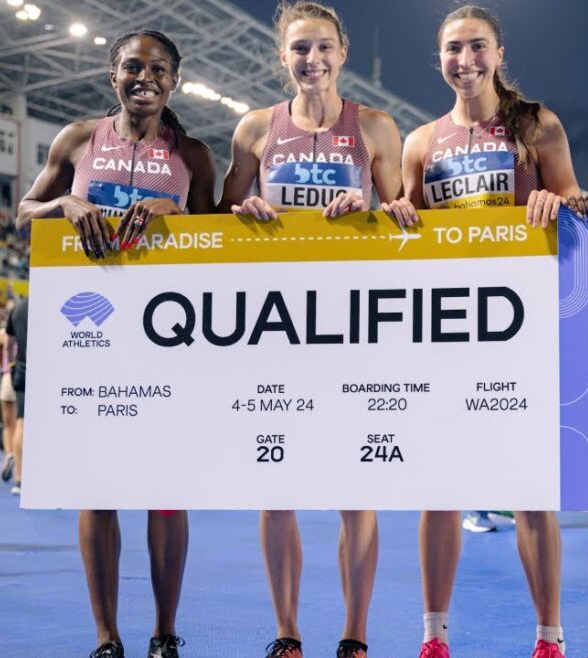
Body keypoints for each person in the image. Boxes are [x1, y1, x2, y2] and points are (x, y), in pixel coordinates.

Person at [392, 6, 588, 658]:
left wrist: (557, 201)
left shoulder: (536, 124)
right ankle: (433, 636)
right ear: (439, 58)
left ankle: (549, 638)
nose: (465, 59)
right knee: (439, 490)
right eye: (453, 48)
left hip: (521, 329)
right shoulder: (420, 142)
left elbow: (578, 203)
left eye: (477, 46)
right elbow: (407, 231)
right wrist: (395, 211)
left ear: (499, 53)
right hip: (446, 331)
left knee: (530, 493)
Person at [16, 27, 216, 658]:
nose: (145, 78)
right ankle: (106, 637)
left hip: (168, 337)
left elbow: (219, 238)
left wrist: (170, 214)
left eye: (158, 70)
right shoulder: (79, 139)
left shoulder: (194, 154)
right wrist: (68, 206)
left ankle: (164, 632)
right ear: (113, 75)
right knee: (96, 489)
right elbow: (24, 209)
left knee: (165, 493)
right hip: (89, 336)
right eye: (133, 67)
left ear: (173, 82)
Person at [216, 4, 408, 657]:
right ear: (283, 57)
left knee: (356, 490)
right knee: (280, 486)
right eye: (300, 49)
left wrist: (372, 209)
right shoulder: (253, 129)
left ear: (342, 52)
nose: (312, 60)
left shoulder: (377, 128)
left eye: (323, 47)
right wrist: (246, 209)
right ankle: (287, 632)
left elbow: (407, 225)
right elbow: (215, 224)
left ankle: (354, 635)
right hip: (275, 326)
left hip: (353, 325)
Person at [5, 297, 26, 497]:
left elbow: (8, 344)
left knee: (22, 422)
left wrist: (12, 365)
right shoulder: (51, 301)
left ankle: (19, 478)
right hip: (48, 373)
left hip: (22, 370)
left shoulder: (17, 309)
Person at [0, 318, 19, 485]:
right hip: (21, 376)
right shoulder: (26, 329)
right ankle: (20, 467)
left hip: (7, 376)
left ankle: (9, 455)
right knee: (21, 424)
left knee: (7, 424)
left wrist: (4, 368)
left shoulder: (2, 334)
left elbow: (0, 353)